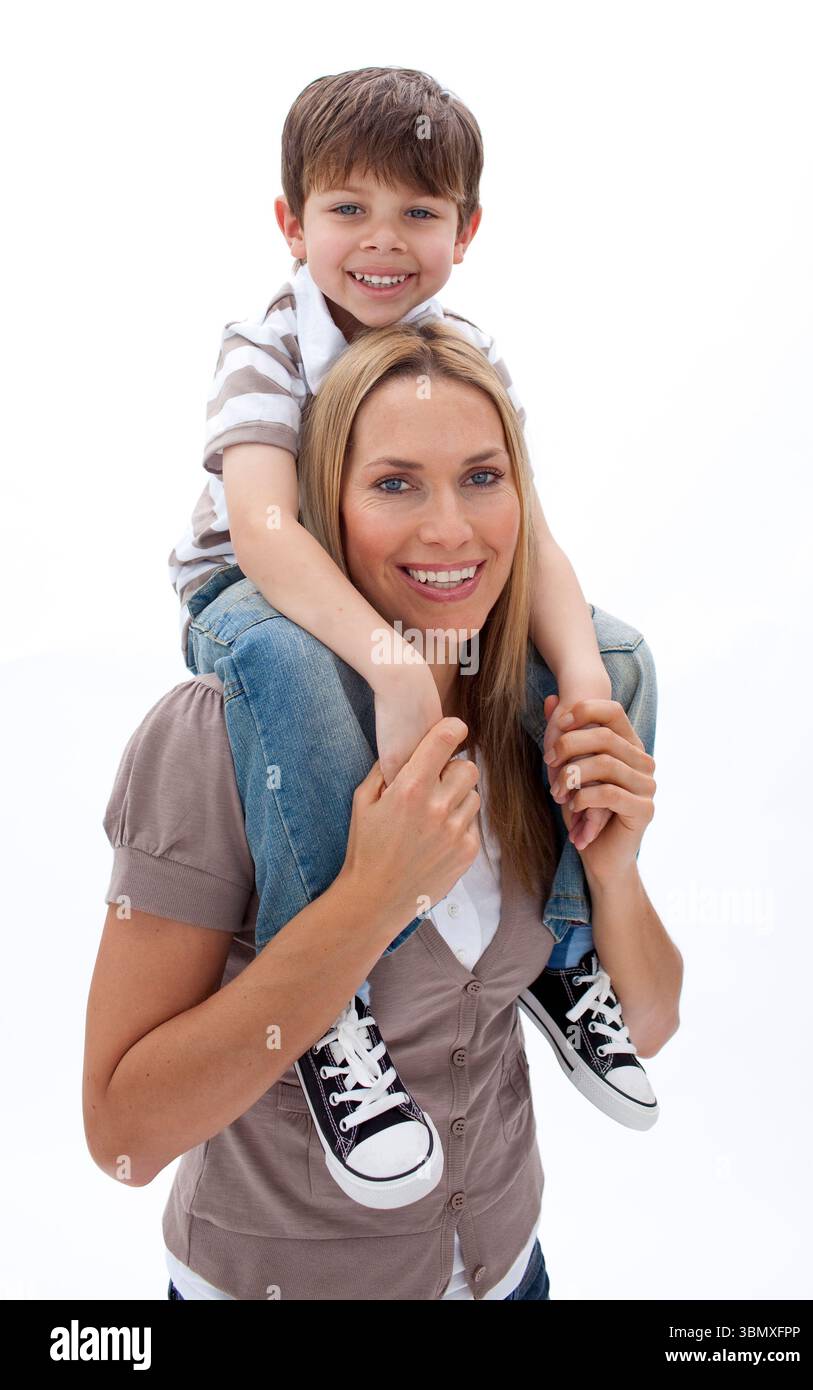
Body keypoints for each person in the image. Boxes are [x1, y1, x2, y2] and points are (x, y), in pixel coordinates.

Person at [83, 318, 682, 1300]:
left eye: (483, 478)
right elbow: (122, 1140)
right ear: (324, 505)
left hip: (508, 1273)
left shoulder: (536, 714)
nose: (450, 528)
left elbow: (650, 1023)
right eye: (395, 482)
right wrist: (366, 902)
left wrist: (613, 873)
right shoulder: (213, 734)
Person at [165, 67, 660, 1180]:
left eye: (418, 212)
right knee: (292, 661)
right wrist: (393, 668)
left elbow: (525, 532)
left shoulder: (462, 352)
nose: (381, 242)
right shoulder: (266, 346)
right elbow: (265, 530)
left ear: (465, 229)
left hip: (414, 594)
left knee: (619, 653)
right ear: (292, 223)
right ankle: (331, 1000)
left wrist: (579, 676)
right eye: (347, 209)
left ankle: (563, 948)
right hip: (267, 598)